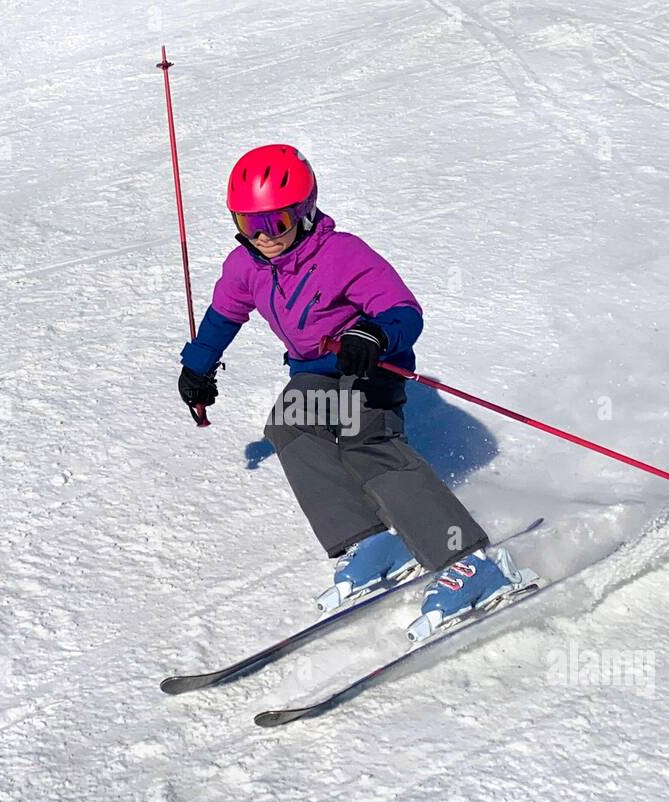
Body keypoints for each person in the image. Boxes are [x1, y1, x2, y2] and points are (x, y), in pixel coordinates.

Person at [177, 144, 527, 640]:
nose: (263, 237)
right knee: (288, 423)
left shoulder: (342, 254)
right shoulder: (245, 265)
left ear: (304, 210)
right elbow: (223, 317)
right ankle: (371, 541)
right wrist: (197, 368)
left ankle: (468, 562)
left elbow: (404, 311)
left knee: (362, 436)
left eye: (275, 223)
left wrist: (374, 334)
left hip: (372, 368)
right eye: (248, 223)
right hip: (315, 376)